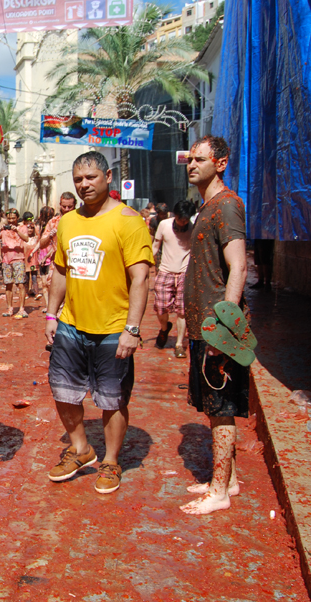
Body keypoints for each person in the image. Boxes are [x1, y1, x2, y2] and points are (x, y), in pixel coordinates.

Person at [44, 152, 152, 495]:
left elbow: (140, 278)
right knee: (62, 390)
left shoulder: (128, 220)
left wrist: (132, 329)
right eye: (78, 179)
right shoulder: (68, 222)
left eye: (91, 177)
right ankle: (81, 449)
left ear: (108, 177)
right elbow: (60, 270)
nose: (84, 184)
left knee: (112, 399)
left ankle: (111, 461)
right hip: (71, 324)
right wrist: (51, 314)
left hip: (114, 327)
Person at [181, 136, 249, 515]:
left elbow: (238, 267)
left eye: (200, 159)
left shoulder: (228, 206)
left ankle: (219, 491)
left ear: (220, 163)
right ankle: (228, 480)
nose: (192, 165)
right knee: (213, 405)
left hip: (217, 329)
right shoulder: (206, 207)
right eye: (190, 159)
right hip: (201, 327)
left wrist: (224, 327)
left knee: (222, 407)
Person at [152, 200, 196, 359]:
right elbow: (155, 246)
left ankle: (179, 344)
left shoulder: (193, 228)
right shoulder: (164, 225)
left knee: (182, 311)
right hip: (165, 271)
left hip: (185, 273)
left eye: (185, 220)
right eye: (180, 219)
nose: (182, 223)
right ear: (174, 215)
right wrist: (146, 265)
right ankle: (164, 328)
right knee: (160, 307)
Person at [0, 209, 30, 318]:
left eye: (13, 218)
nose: (11, 220)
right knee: (8, 284)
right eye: (9, 218)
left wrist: (17, 231)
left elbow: (26, 239)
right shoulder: (4, 229)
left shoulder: (23, 228)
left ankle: (22, 308)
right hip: (6, 260)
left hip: (18, 258)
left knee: (20, 284)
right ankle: (9, 308)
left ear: (17, 218)